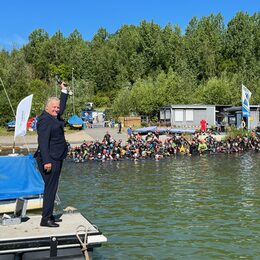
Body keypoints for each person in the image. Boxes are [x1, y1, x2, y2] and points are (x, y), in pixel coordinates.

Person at [34, 81, 69, 227]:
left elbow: (61, 107)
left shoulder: (53, 116)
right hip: (49, 159)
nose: (57, 109)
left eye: (57, 107)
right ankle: (46, 219)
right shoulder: (44, 120)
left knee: (53, 188)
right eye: (54, 107)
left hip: (57, 157)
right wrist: (46, 161)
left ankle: (49, 215)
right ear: (47, 108)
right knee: (50, 188)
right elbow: (43, 142)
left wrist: (64, 92)